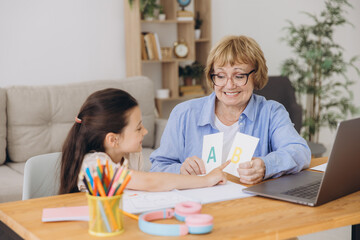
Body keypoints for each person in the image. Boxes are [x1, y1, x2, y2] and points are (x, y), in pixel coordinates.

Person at [150, 35, 311, 184]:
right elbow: (158, 166)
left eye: (239, 76)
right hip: (199, 204)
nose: (229, 85)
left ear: (255, 76)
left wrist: (265, 166)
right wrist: (181, 170)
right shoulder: (184, 113)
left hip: (249, 204)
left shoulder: (271, 112)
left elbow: (300, 152)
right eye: (220, 76)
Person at [59, 88, 229, 194]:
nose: (145, 131)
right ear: (113, 139)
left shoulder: (131, 155)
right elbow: (150, 182)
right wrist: (206, 180)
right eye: (139, 128)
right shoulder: (95, 167)